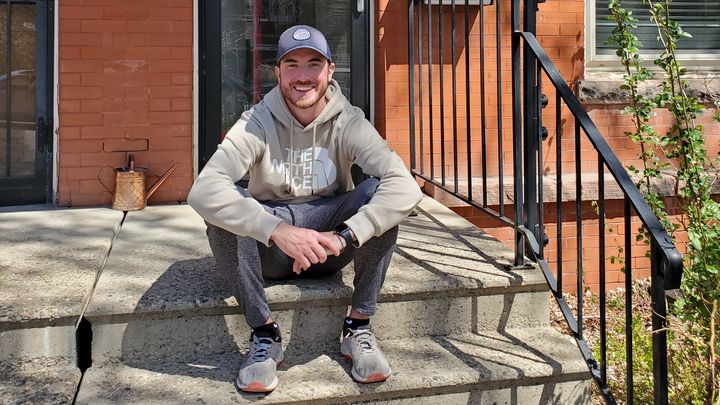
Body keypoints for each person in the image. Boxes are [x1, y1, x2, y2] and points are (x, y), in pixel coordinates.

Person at [187, 24, 423, 394]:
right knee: (225, 211)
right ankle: (264, 334)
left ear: (330, 70)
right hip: (271, 250)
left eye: (313, 64)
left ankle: (358, 327)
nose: (303, 76)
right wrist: (279, 231)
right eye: (292, 65)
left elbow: (404, 185)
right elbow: (204, 190)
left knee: (380, 194)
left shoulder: (349, 120)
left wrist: (344, 236)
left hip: (330, 244)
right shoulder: (257, 121)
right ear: (278, 72)